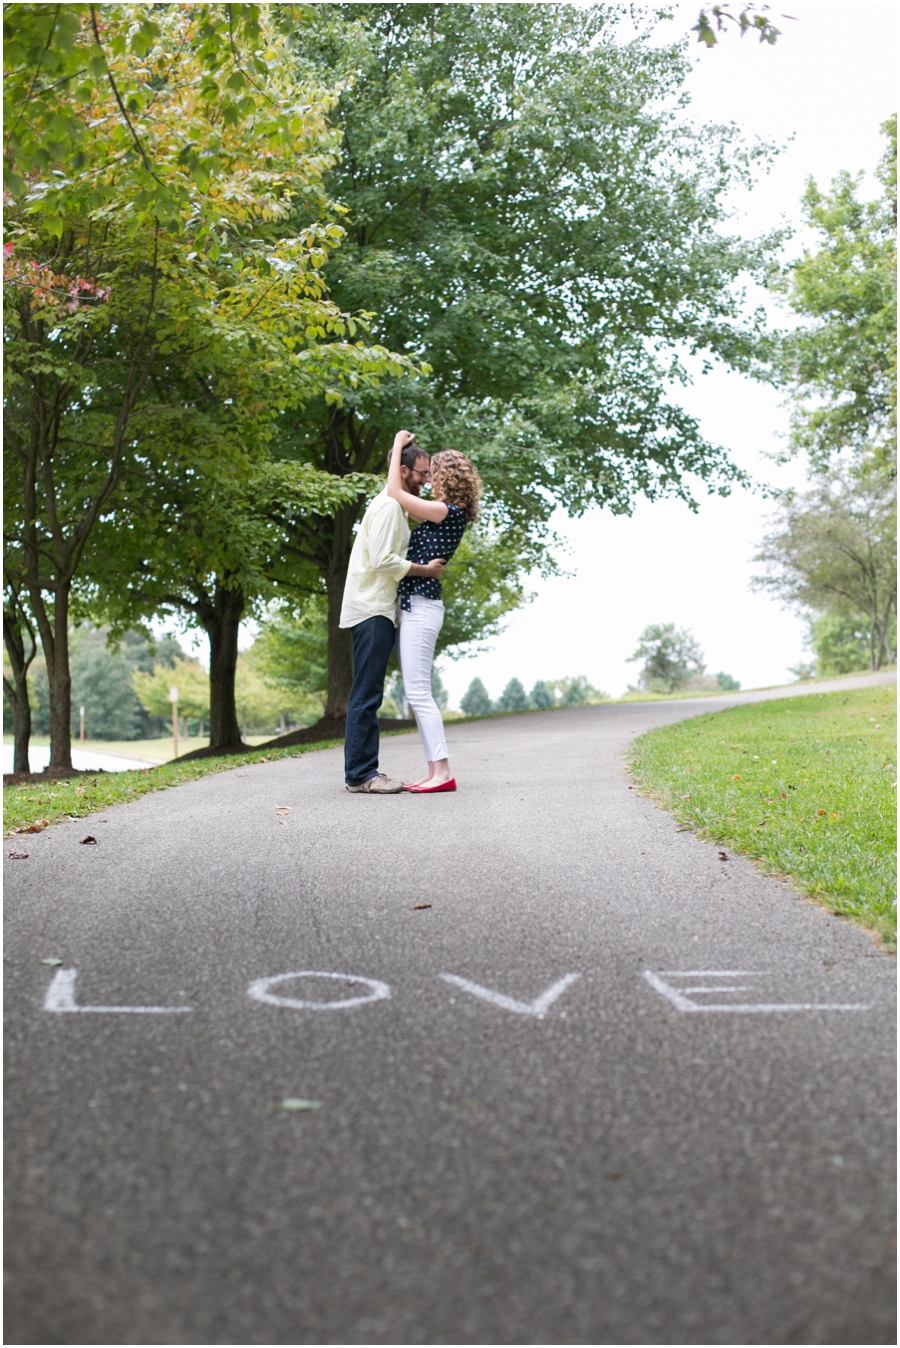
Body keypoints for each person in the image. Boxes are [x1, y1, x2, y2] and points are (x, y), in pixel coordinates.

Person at [339, 437, 445, 794]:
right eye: (422, 473)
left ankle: (362, 771)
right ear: (403, 471)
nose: (427, 481)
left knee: (369, 692)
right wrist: (425, 571)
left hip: (378, 609)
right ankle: (361, 775)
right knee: (366, 695)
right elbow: (383, 560)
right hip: (372, 609)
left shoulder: (395, 506)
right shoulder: (387, 507)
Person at [387, 430, 482, 793]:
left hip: (422, 608)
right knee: (417, 692)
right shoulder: (445, 514)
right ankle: (434, 771)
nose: (427, 479)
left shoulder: (446, 511)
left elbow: (395, 492)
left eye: (432, 473)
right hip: (418, 606)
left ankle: (442, 772)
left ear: (446, 478)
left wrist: (398, 447)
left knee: (419, 692)